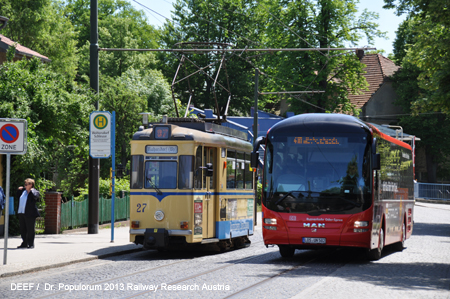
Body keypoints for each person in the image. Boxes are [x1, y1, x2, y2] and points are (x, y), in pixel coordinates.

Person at [16, 178, 40, 249]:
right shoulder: (23, 192)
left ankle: (31, 243)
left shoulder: (35, 192)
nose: (25, 186)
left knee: (30, 229)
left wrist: (31, 191)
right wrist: (19, 189)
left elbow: (35, 197)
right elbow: (18, 196)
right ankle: (24, 243)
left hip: (30, 213)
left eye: (27, 184)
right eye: (25, 184)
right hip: (22, 212)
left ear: (31, 185)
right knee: (23, 229)